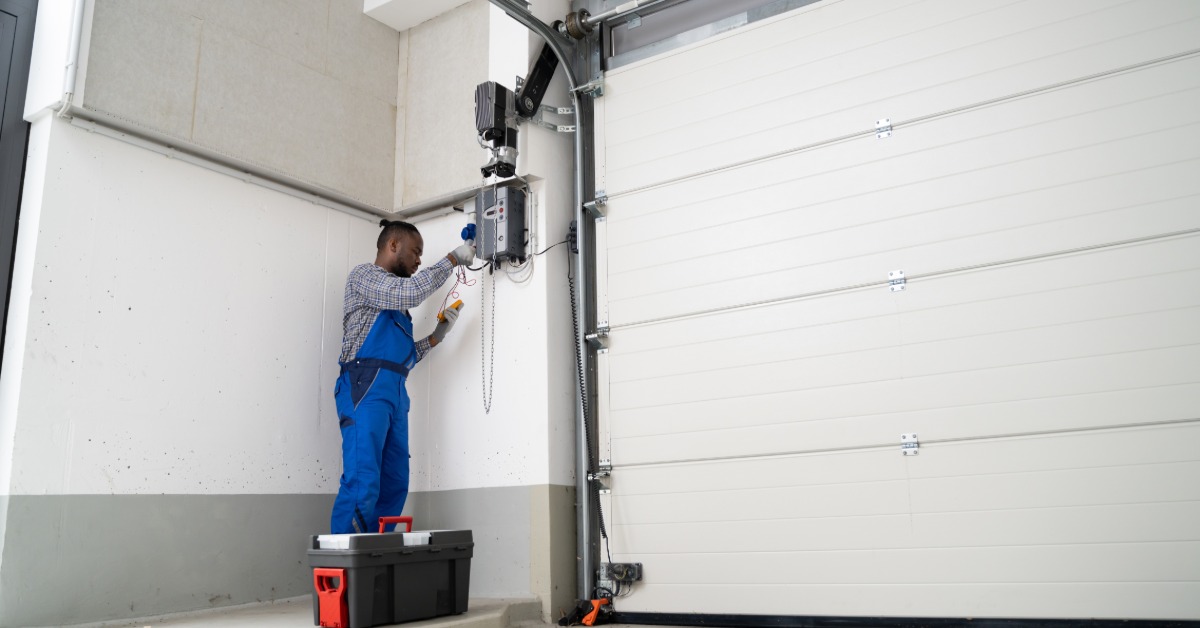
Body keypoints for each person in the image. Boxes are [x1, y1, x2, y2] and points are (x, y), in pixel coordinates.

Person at [330, 219, 475, 534]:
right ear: (392, 245)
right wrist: (451, 258)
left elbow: (403, 360)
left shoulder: (397, 310)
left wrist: (436, 337)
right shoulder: (364, 277)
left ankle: (375, 563)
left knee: (395, 483)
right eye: (416, 252)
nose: (419, 260)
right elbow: (410, 292)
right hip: (364, 389)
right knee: (363, 481)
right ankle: (343, 570)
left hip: (394, 392)